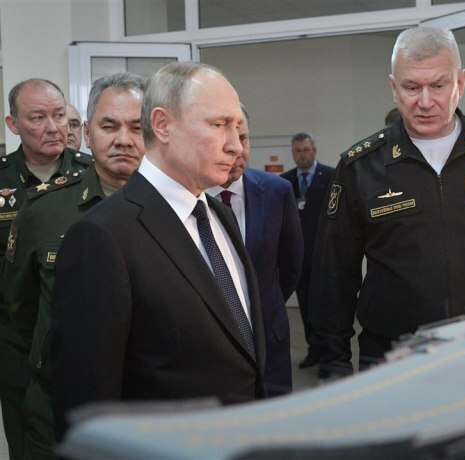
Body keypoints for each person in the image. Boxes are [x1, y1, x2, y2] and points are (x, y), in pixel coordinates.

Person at [308, 27, 465, 378]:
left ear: (461, 83)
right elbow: (333, 278)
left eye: (438, 85)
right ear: (394, 88)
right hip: (393, 356)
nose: (425, 102)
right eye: (412, 87)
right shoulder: (361, 167)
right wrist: (334, 366)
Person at [50, 61, 266, 439]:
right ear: (163, 125)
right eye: (218, 124)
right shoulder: (103, 236)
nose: (234, 144)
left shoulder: (218, 215)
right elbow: (86, 407)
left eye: (236, 126)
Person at [3, 72, 146, 459]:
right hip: (58, 403)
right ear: (86, 132)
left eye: (136, 127)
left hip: (150, 405)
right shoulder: (44, 212)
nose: (123, 139)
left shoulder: (180, 209)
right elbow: (20, 308)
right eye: (109, 126)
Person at [0, 78, 92, 459]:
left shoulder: (92, 174)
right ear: (13, 124)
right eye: (38, 118)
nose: (55, 128)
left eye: (60, 116)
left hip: (80, 337)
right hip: (16, 343)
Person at [207, 106, 303, 397]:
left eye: (244, 139)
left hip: (269, 339)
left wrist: (264, 303)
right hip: (210, 345)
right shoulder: (188, 198)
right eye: (224, 141)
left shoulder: (277, 191)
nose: (237, 150)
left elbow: (291, 264)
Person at [280, 133, 335, 369]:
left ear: (314, 151)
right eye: (297, 151)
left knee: (326, 309)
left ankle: (330, 356)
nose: (302, 155)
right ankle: (313, 350)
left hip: (325, 257)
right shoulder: (285, 181)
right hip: (299, 258)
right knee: (306, 307)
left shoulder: (331, 176)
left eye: (306, 150)